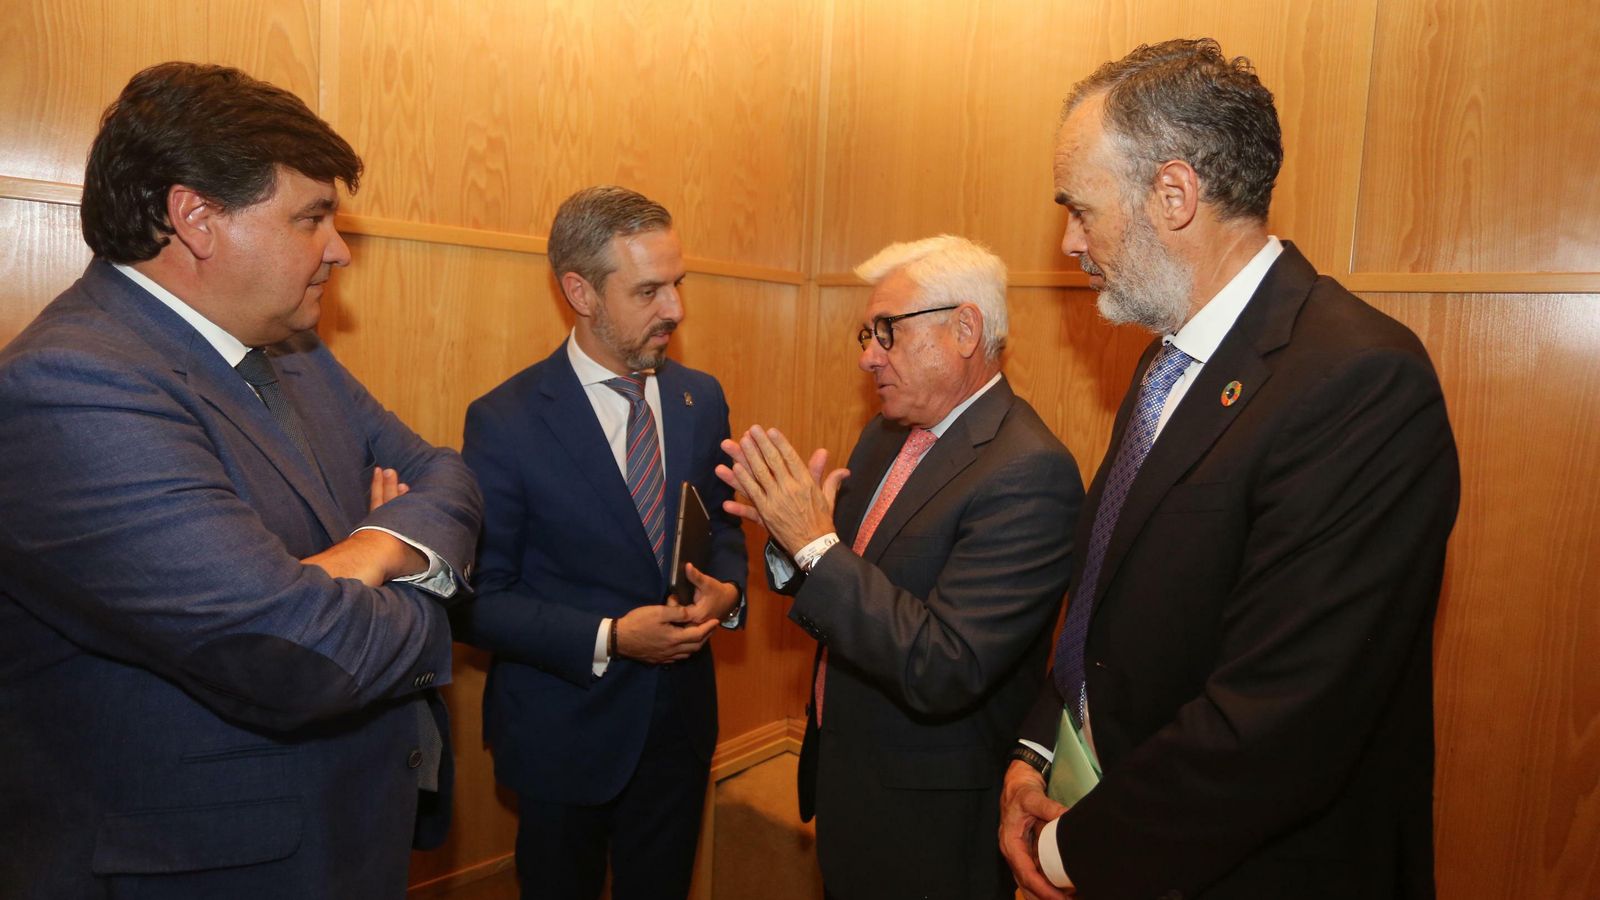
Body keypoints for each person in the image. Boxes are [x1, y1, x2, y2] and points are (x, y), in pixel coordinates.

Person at [0, 62, 483, 899]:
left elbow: (446, 475)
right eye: (312, 218)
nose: (338, 249)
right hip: (203, 869)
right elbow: (296, 657)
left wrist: (373, 549)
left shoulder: (292, 350)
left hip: (345, 837)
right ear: (196, 218)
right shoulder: (71, 385)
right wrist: (428, 591)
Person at [998, 39, 1460, 900]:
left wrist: (1069, 854)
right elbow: (1106, 601)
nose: (1069, 241)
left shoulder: (1360, 381)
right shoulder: (1169, 358)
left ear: (1173, 195)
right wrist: (1035, 752)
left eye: (1081, 210)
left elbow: (1281, 724)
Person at [717, 235, 1084, 899]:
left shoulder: (1030, 470)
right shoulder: (887, 432)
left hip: (929, 815)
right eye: (868, 333)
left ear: (965, 329)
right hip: (848, 771)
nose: (868, 355)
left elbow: (945, 664)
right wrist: (792, 545)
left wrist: (813, 544)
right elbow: (851, 582)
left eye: (887, 330)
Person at [455, 185, 747, 900]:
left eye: (677, 284)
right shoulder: (505, 422)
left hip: (678, 733)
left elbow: (723, 527)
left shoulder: (701, 398)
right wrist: (612, 637)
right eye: (648, 291)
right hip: (563, 736)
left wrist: (729, 592)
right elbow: (479, 602)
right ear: (579, 292)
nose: (674, 310)